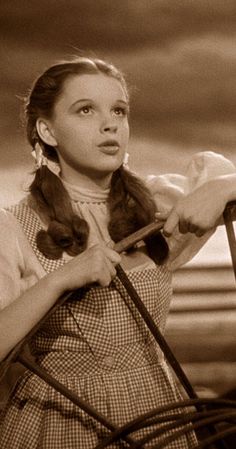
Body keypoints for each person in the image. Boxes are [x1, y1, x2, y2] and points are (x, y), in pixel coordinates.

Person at [0, 55, 235, 449]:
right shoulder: (14, 228)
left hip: (159, 412)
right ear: (47, 131)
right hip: (62, 422)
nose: (110, 124)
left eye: (119, 110)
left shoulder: (158, 205)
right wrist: (60, 280)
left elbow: (220, 189)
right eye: (85, 110)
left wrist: (225, 186)